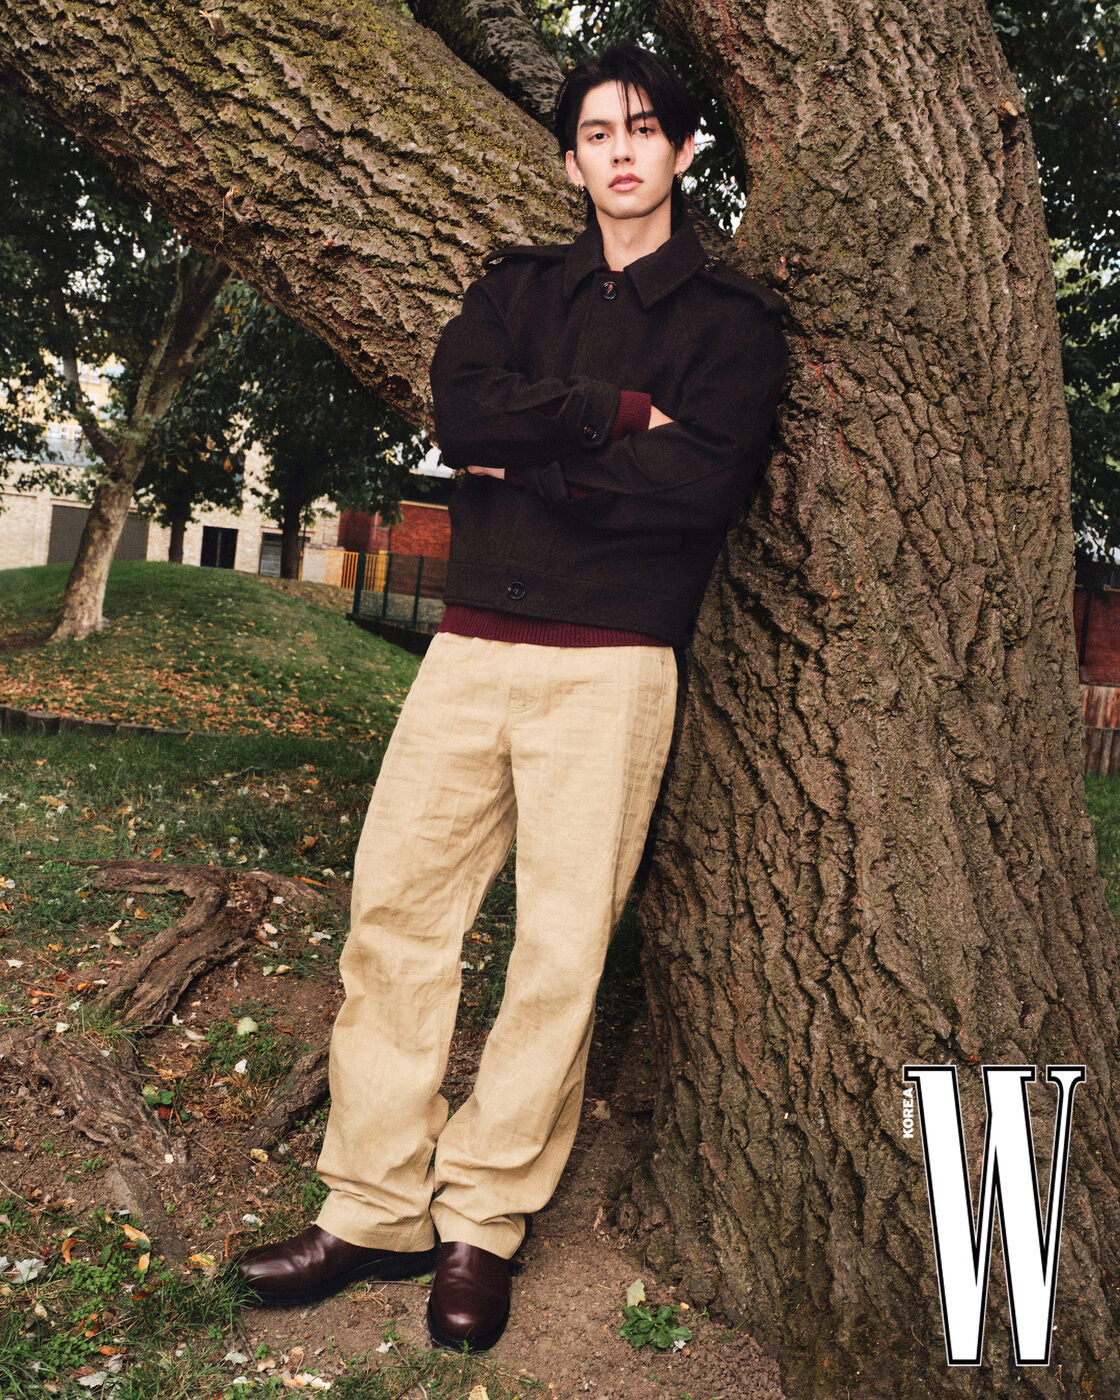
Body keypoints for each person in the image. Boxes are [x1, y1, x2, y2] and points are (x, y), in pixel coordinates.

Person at [229, 42, 789, 1353]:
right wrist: (621, 418)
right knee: (395, 918)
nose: (622, 151)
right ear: (572, 159)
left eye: (644, 129)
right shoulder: (515, 288)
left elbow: (697, 492)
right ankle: (374, 1206)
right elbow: (463, 413)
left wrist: (535, 456)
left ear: (683, 151)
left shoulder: (733, 325)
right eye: (597, 132)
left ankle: (482, 1219)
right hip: (468, 650)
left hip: (613, 663)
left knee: (558, 952)